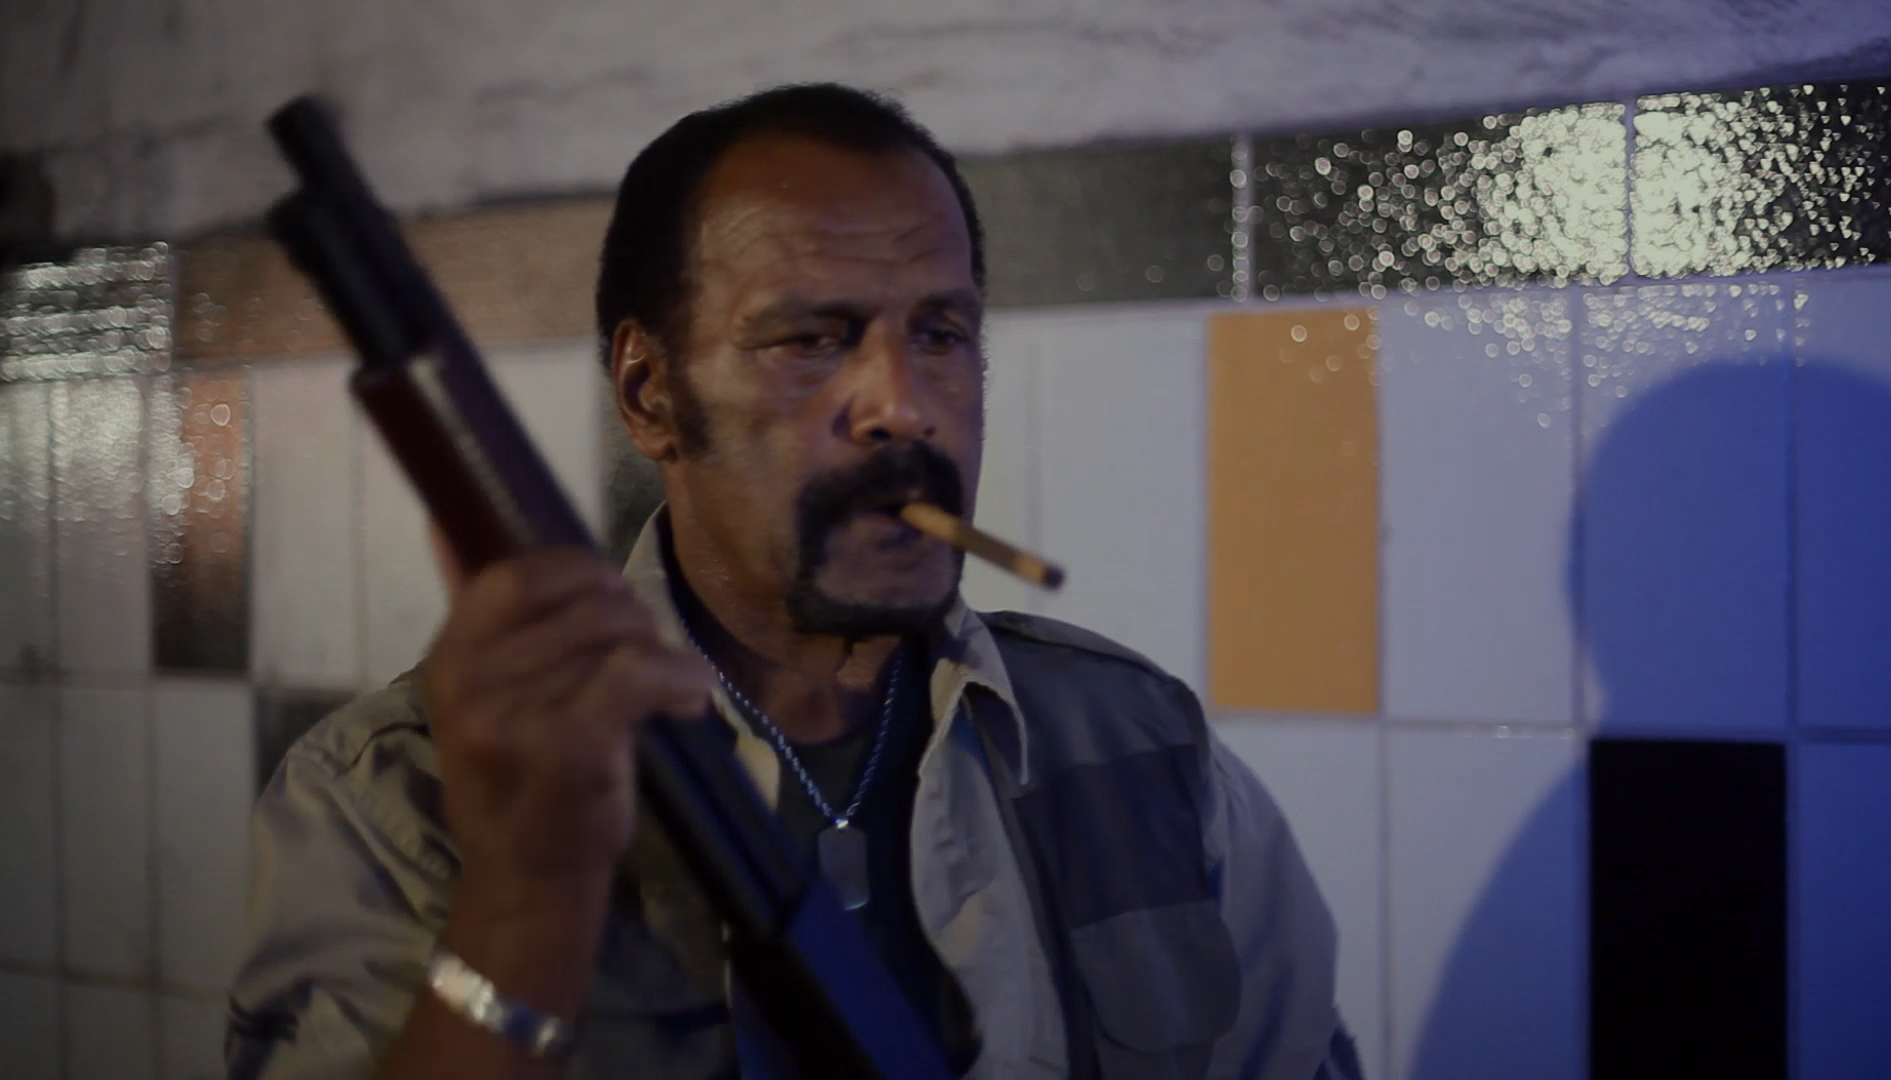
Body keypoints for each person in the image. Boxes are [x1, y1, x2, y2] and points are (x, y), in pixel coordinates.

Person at [227, 82, 1361, 1080]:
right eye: (812, 340)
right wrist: (526, 901)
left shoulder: (1147, 753)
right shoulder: (399, 798)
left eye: (941, 334)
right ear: (649, 394)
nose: (903, 406)